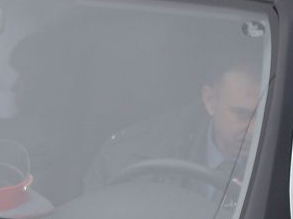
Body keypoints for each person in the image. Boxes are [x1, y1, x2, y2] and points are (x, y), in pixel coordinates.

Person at [80, 56, 265, 193]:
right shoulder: (131, 157)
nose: (253, 130)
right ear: (210, 101)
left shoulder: (289, 168)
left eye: (263, 115)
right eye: (242, 115)